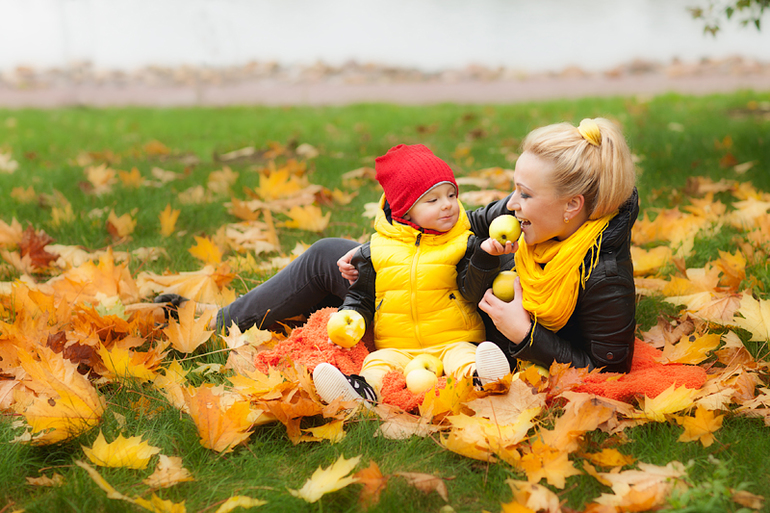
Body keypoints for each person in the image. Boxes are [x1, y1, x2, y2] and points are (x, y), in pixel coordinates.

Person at [156, 117, 637, 382]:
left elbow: (609, 367)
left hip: (463, 333)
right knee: (330, 254)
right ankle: (214, 323)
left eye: (526, 195)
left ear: (573, 207)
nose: (510, 203)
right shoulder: (518, 221)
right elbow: (459, 224)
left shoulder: (602, 272)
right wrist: (372, 250)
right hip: (429, 289)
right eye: (515, 188)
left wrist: (525, 333)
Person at [312, 143, 511, 404]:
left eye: (451, 195)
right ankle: (359, 393)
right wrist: (350, 317)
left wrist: (484, 257)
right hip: (396, 346)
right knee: (376, 363)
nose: (447, 205)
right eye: (433, 200)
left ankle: (482, 378)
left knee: (463, 358)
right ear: (405, 211)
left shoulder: (463, 242)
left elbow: (472, 291)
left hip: (454, 339)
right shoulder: (377, 250)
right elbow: (361, 296)